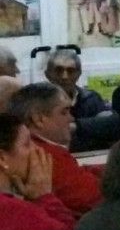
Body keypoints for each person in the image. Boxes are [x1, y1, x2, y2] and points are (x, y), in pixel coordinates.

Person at [9, 83, 103, 215]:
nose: (71, 118)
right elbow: (92, 198)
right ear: (38, 119)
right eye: (64, 112)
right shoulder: (46, 155)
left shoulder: (34, 150)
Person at [42, 48, 120, 152]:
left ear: (78, 74)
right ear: (48, 74)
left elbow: (112, 124)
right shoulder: (37, 102)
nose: (65, 76)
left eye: (70, 71)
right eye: (59, 70)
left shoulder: (91, 98)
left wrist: (75, 126)